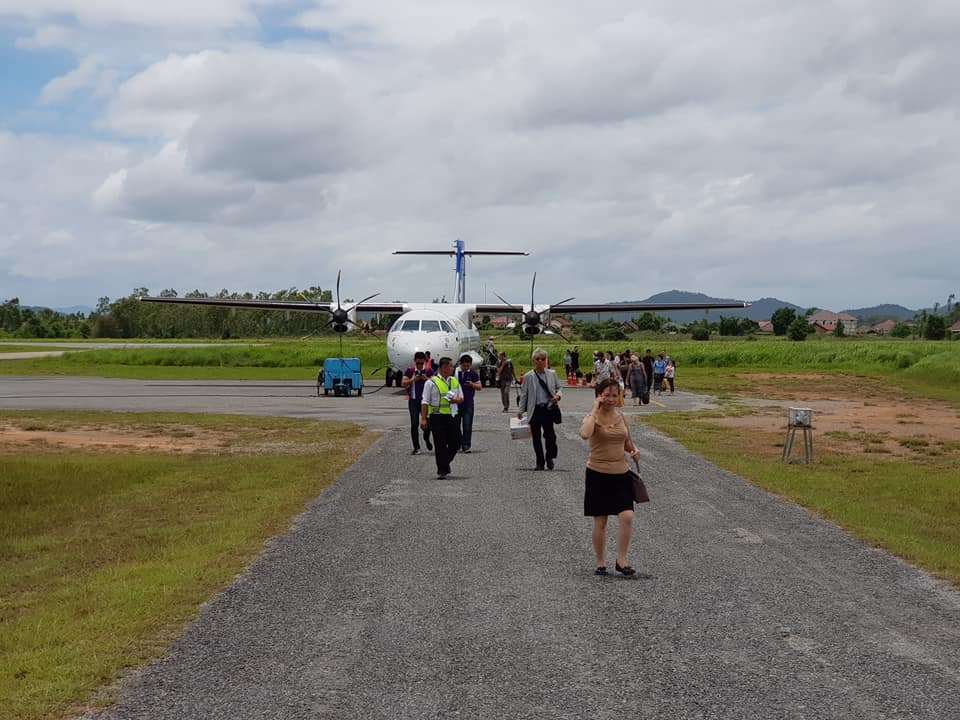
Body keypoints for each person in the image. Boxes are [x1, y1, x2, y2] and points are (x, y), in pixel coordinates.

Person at [580, 377, 641, 576]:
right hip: (598, 473)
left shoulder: (621, 416)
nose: (611, 399)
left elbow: (626, 442)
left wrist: (634, 450)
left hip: (621, 473)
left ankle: (622, 560)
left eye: (615, 395)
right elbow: (584, 434)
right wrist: (594, 409)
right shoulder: (593, 417)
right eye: (607, 395)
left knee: (627, 516)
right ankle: (600, 562)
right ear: (599, 395)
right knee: (601, 521)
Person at [518, 347, 563, 470]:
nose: (540, 361)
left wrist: (558, 396)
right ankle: (540, 462)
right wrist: (521, 410)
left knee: (550, 436)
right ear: (533, 361)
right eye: (537, 359)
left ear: (546, 360)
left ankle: (549, 457)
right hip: (535, 410)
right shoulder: (528, 376)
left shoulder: (552, 374)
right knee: (536, 438)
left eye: (543, 359)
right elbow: (524, 394)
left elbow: (560, 387)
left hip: (548, 409)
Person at [420, 357, 463, 479]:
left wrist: (456, 400)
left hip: (452, 415)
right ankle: (442, 470)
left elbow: (461, 398)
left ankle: (444, 463)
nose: (452, 368)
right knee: (440, 444)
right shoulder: (430, 382)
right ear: (444, 367)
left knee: (456, 442)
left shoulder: (454, 381)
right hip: (437, 417)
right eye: (450, 366)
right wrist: (423, 418)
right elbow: (425, 401)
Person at [401, 351, 434, 455]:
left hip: (425, 402)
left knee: (427, 425)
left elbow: (435, 383)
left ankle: (426, 438)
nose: (419, 365)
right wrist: (413, 380)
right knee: (414, 424)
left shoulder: (429, 370)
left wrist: (426, 379)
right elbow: (403, 383)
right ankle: (416, 447)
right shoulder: (410, 371)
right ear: (415, 361)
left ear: (425, 361)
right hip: (414, 401)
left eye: (421, 363)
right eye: (418, 363)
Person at [456, 353, 482, 452]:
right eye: (464, 366)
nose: (466, 367)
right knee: (455, 426)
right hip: (456, 403)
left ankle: (466, 445)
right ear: (460, 364)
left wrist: (472, 385)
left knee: (467, 425)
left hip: (468, 403)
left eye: (468, 366)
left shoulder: (473, 373)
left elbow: (479, 387)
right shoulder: (455, 372)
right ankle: (457, 443)